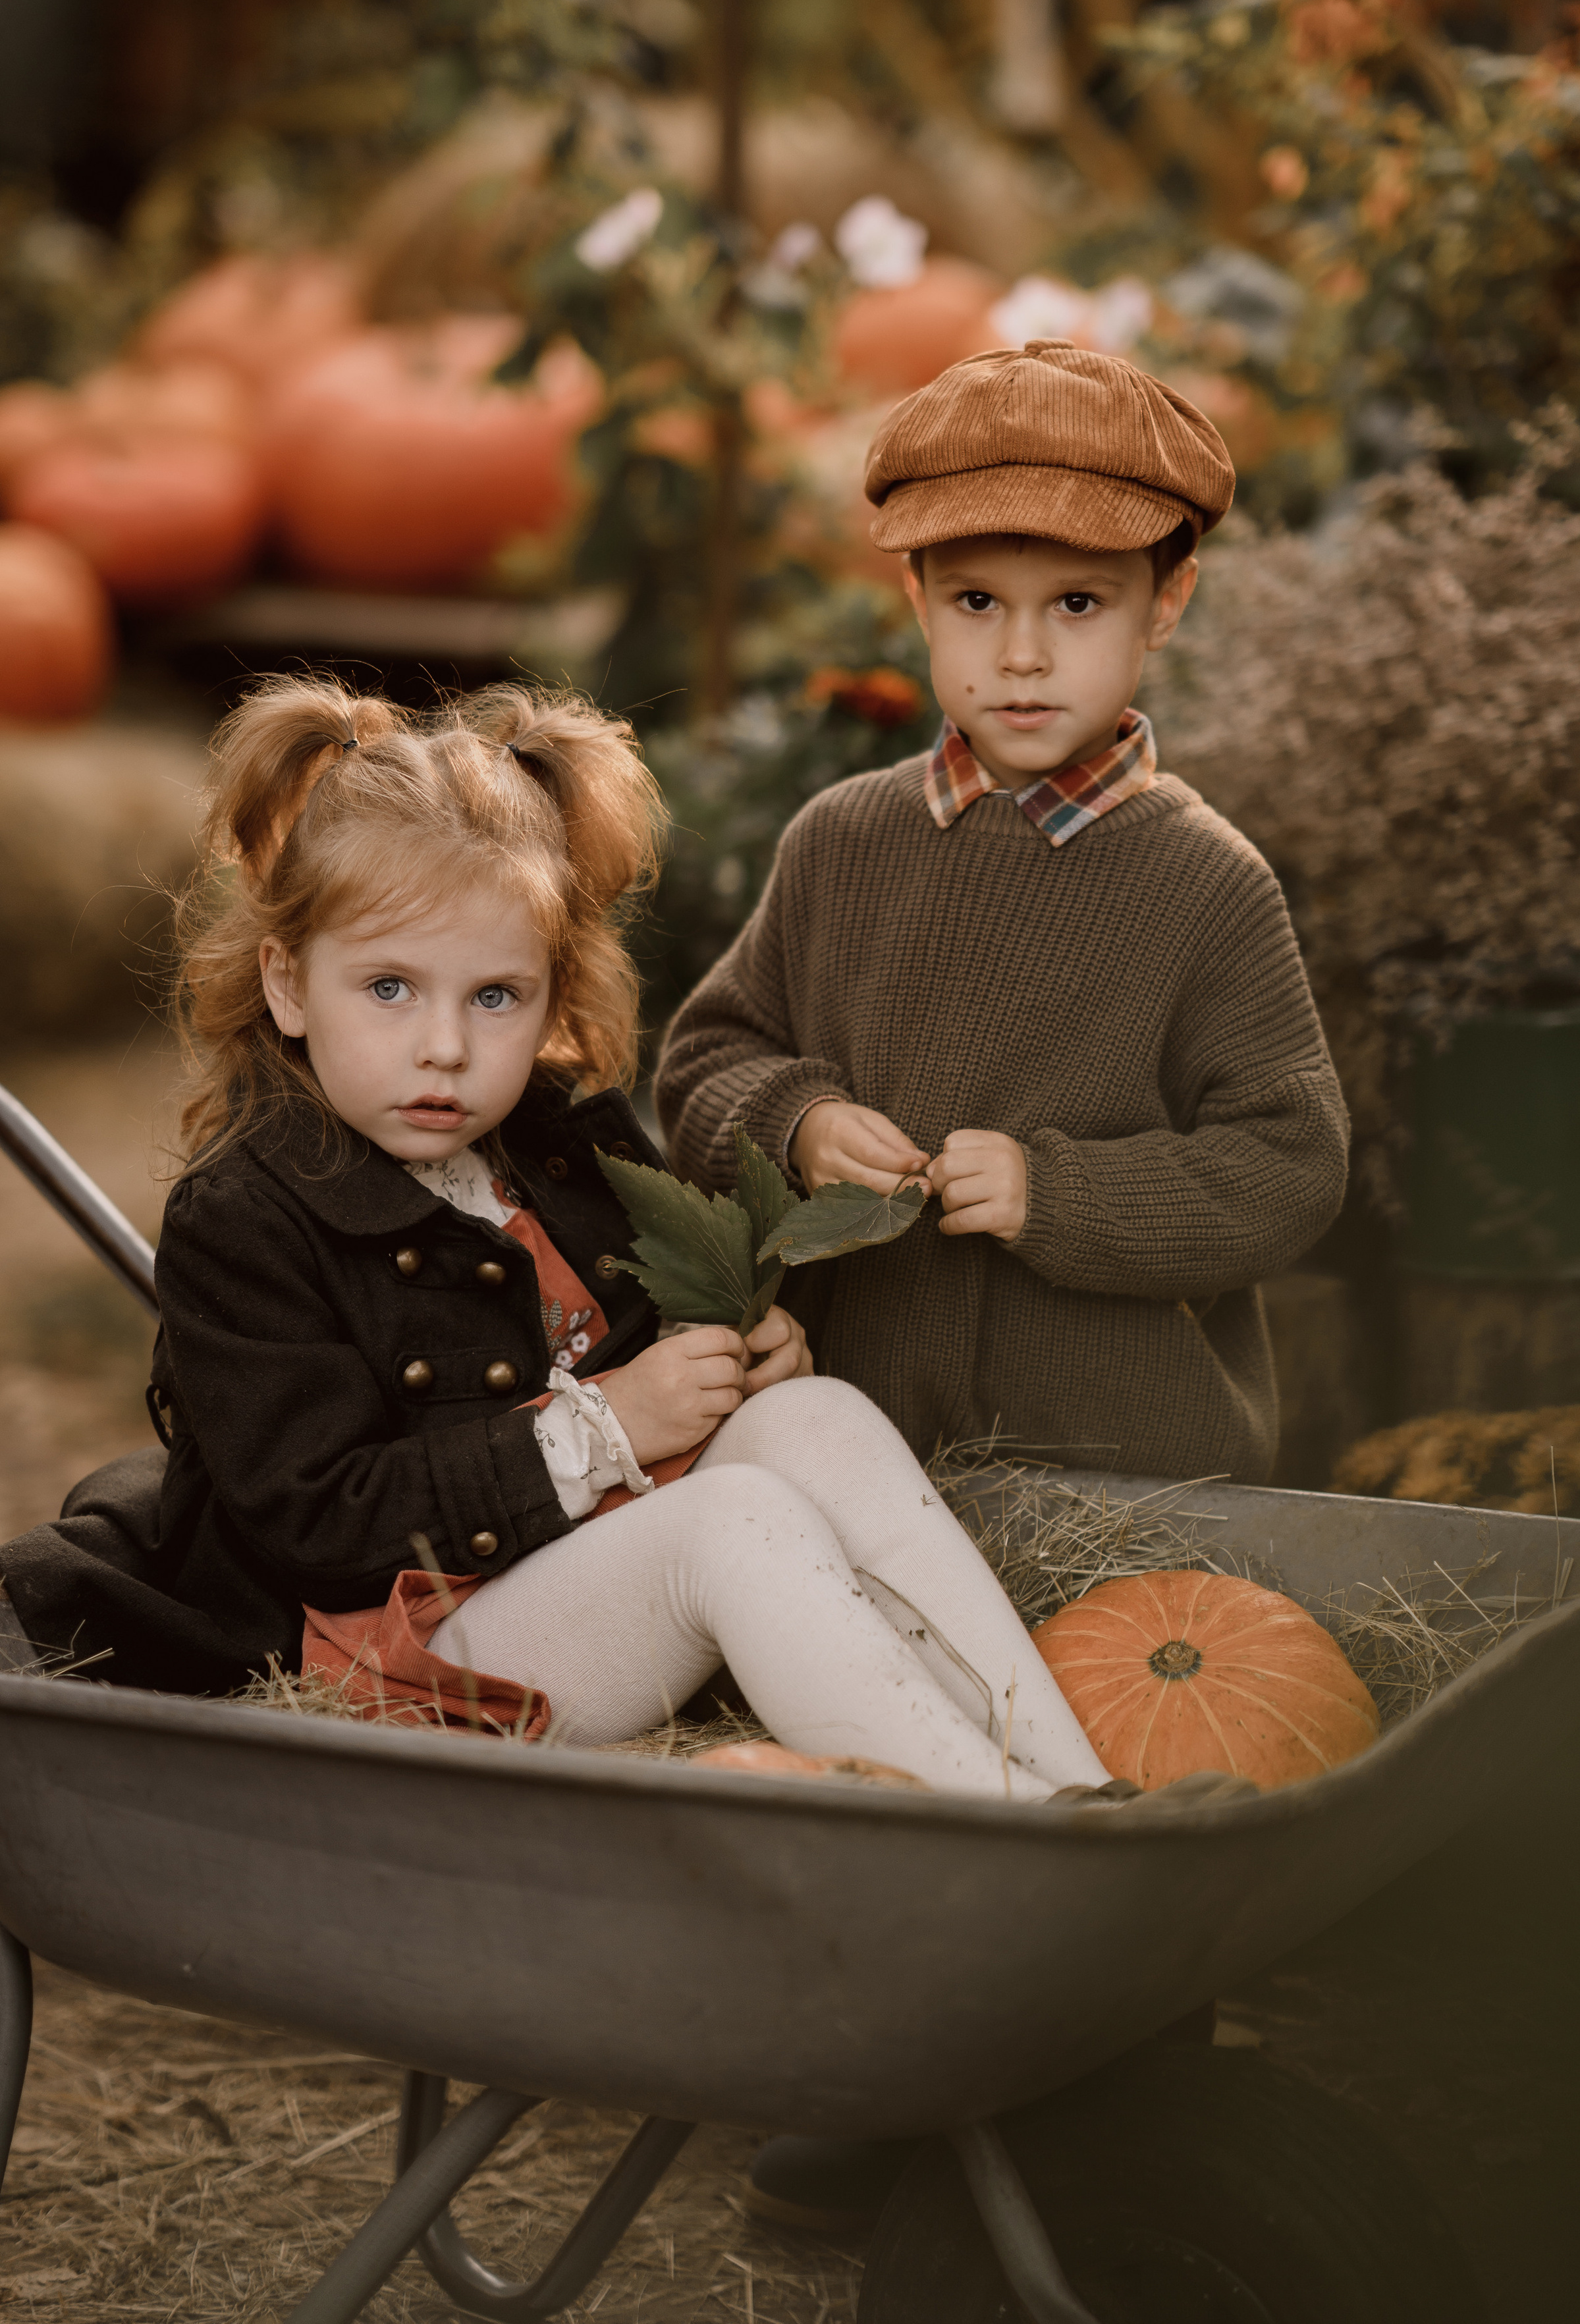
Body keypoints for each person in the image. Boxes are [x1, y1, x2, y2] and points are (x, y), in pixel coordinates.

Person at [0, 676, 1115, 1804]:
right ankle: (1015, 1822)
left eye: (496, 997)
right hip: (407, 1646)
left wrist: (733, 1358)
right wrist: (607, 1428)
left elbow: (631, 1332)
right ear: (288, 986)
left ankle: (1082, 1790)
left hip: (574, 1566)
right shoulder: (242, 1220)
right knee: (736, 1524)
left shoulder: (553, 1139)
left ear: (553, 996)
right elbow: (316, 1522)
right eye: (389, 988)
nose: (444, 1046)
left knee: (811, 1418)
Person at [657, 339, 1350, 1495]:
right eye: (979, 601)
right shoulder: (841, 843)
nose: (1022, 657)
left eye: (1079, 604)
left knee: (1111, 1679)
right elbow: (703, 1063)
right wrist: (802, 1124)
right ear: (918, 598)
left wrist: (1058, 1196)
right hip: (851, 1454)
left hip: (1124, 1483)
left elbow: (1291, 1165)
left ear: (1166, 601)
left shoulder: (1206, 887)